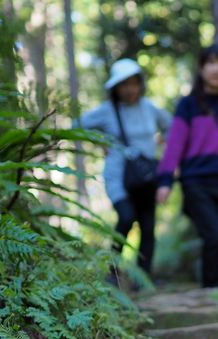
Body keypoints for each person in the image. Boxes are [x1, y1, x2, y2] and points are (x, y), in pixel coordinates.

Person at [156, 43, 218, 292]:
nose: (215, 69)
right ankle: (211, 292)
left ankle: (209, 266)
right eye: (210, 62)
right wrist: (165, 180)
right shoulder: (188, 105)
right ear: (201, 68)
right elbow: (175, 144)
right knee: (213, 236)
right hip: (196, 180)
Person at [79, 59, 171, 276]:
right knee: (127, 217)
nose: (129, 89)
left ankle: (144, 279)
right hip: (118, 177)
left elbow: (172, 128)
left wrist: (161, 144)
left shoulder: (149, 108)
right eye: (123, 84)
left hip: (146, 176)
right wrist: (100, 140)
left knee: (148, 227)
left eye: (133, 83)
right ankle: (113, 273)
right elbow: (77, 126)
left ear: (140, 84)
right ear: (115, 88)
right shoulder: (107, 111)